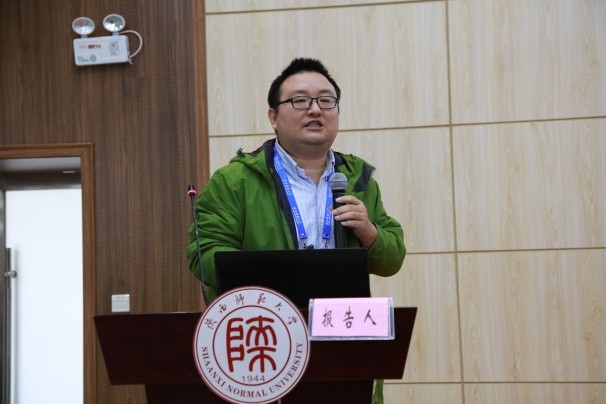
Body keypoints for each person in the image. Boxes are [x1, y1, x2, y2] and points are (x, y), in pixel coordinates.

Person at [187, 57, 405, 404]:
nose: (315, 110)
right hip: (266, 329)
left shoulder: (357, 178)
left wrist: (369, 232)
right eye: (300, 100)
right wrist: (279, 272)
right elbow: (204, 256)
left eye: (326, 101)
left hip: (341, 331)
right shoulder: (235, 180)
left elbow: (392, 257)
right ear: (273, 116)